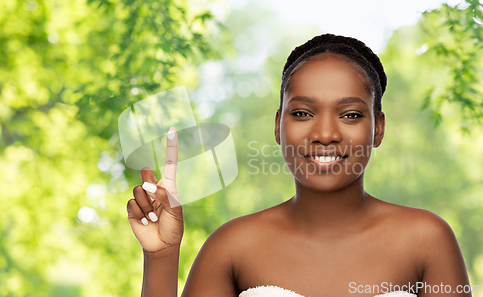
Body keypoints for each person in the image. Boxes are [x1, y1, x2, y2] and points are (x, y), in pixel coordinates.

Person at [126, 34, 471, 297]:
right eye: (303, 113)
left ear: (378, 129)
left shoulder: (427, 239)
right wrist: (162, 255)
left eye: (350, 115)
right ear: (277, 126)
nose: (324, 134)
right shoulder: (232, 247)